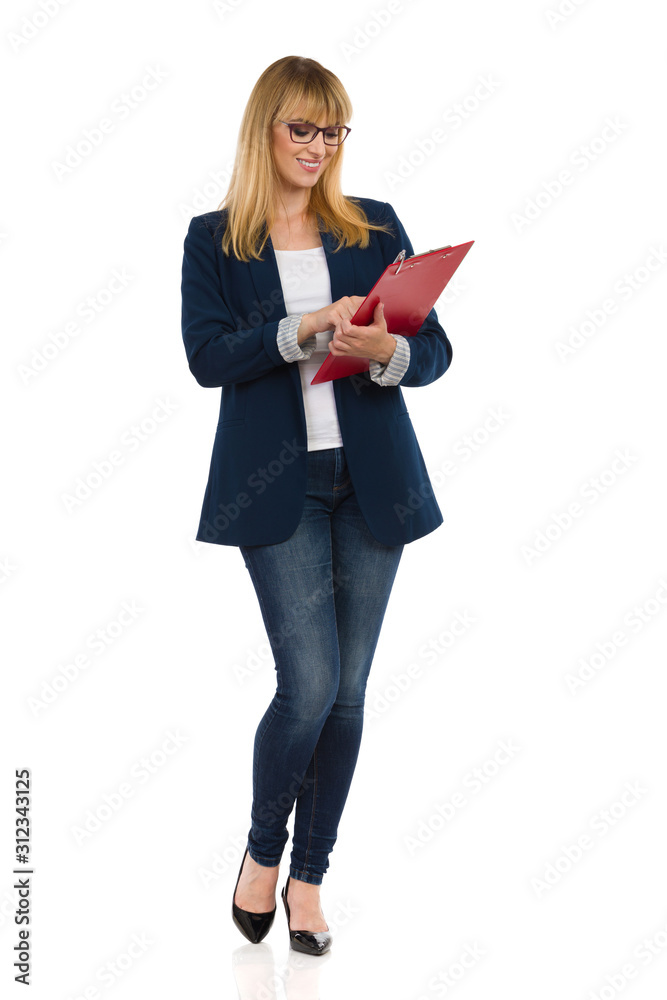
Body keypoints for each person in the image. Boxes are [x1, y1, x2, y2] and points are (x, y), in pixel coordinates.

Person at [180, 55, 453, 956]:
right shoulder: (214, 238)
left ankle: (309, 878)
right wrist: (297, 330)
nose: (318, 146)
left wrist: (386, 350)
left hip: (370, 482)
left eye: (333, 130)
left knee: (349, 694)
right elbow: (209, 358)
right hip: (280, 490)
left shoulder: (374, 227)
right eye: (303, 127)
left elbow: (437, 348)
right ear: (267, 129)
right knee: (308, 687)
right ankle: (262, 855)